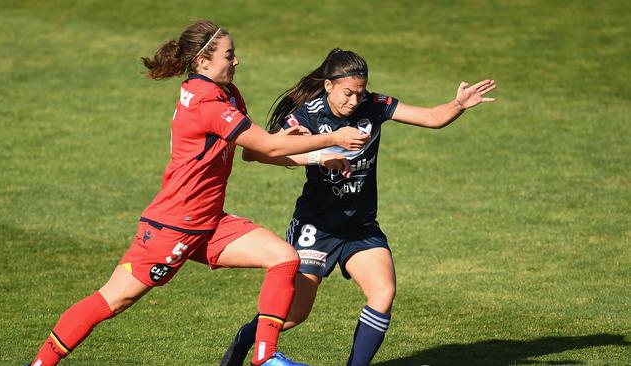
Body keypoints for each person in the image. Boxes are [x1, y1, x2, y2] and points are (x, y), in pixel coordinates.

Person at [26, 22, 370, 366]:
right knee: (111, 301)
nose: (237, 61)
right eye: (229, 55)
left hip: (209, 222)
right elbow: (267, 143)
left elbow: (255, 151)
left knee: (283, 257)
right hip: (172, 227)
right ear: (203, 62)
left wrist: (314, 155)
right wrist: (332, 138)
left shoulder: (227, 93)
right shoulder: (207, 102)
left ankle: (265, 358)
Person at [221, 48, 497, 366]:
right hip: (316, 227)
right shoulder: (306, 115)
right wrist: (317, 155)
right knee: (295, 314)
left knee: (383, 293)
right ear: (328, 86)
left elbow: (432, 118)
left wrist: (458, 104)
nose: (353, 101)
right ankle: (245, 339)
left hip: (360, 226)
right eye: (347, 93)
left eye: (359, 93)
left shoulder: (373, 105)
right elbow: (255, 153)